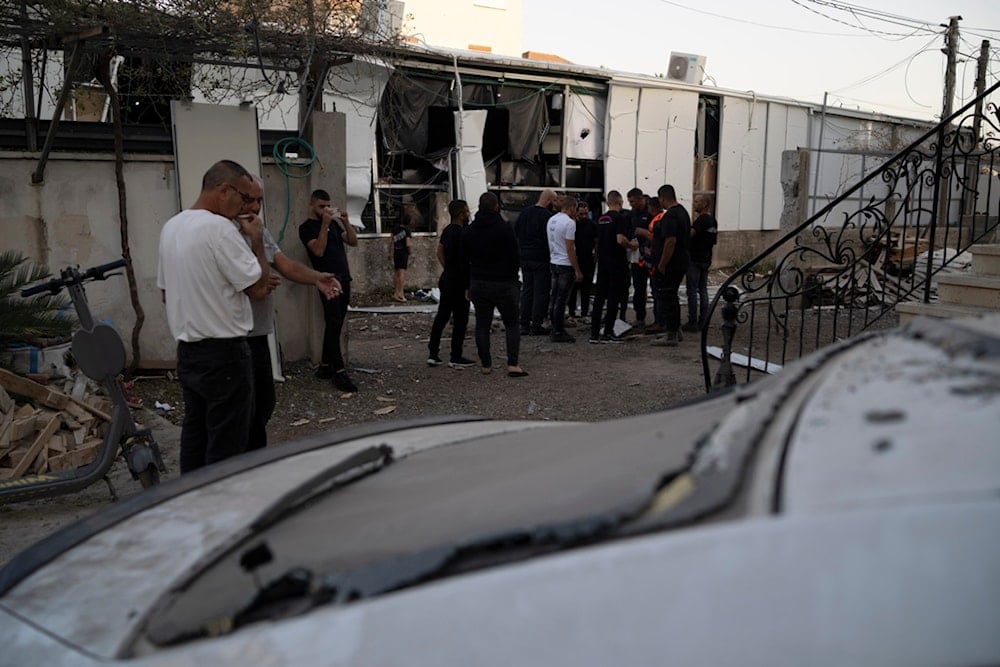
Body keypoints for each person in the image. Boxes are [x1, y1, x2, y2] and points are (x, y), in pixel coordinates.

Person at [157, 159, 271, 473]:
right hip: (224, 353)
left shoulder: (172, 226)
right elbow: (259, 288)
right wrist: (256, 239)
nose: (247, 206)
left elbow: (165, 292)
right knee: (227, 443)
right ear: (223, 191)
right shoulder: (220, 229)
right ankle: (221, 511)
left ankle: (191, 500)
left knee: (195, 433)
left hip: (189, 350)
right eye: (245, 197)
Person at [241, 176, 341, 451]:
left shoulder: (258, 229)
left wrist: (317, 278)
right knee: (239, 413)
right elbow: (253, 284)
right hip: (233, 336)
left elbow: (284, 264)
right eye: (249, 198)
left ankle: (253, 462)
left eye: (260, 200)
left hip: (258, 331)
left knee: (263, 404)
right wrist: (258, 281)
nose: (255, 206)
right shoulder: (222, 232)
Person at [299, 188, 360, 393]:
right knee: (333, 322)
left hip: (344, 278)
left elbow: (353, 241)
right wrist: (324, 225)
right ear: (312, 204)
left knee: (336, 323)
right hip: (327, 281)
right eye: (321, 206)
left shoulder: (333, 224)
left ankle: (326, 366)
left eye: (327, 206)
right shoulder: (307, 228)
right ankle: (339, 371)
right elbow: (318, 250)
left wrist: (345, 222)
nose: (325, 210)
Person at [462, 192, 527, 377]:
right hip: (505, 282)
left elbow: (465, 260)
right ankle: (512, 364)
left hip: (479, 281)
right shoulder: (505, 229)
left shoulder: (470, 231)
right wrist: (514, 278)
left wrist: (469, 284)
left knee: (482, 324)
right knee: (512, 323)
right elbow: (515, 255)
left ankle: (486, 364)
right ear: (496, 207)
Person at [427, 199, 476, 369]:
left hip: (447, 278)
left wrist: (447, 267)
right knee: (461, 319)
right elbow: (467, 261)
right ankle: (455, 355)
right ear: (461, 213)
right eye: (467, 210)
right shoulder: (465, 233)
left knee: (442, 315)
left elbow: (439, 251)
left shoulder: (448, 231)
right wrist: (469, 285)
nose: (469, 213)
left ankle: (433, 353)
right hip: (460, 281)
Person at [589, 190, 635, 344]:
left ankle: (594, 334)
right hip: (616, 262)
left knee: (599, 298)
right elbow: (620, 239)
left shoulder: (601, 219)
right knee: (613, 298)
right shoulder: (620, 218)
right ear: (620, 203)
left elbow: (596, 241)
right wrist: (632, 245)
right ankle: (608, 332)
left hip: (602, 262)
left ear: (608, 203)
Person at [650, 184, 691, 347]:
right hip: (680, 261)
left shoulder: (671, 216)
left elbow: (670, 241)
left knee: (667, 297)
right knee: (672, 296)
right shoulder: (683, 212)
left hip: (671, 264)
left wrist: (662, 263)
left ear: (662, 198)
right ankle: (675, 329)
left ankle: (671, 334)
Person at [515, 188, 558, 336]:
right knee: (541, 292)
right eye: (554, 201)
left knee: (527, 290)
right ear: (549, 201)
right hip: (541, 258)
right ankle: (537, 324)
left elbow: (517, 232)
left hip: (525, 257)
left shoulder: (525, 213)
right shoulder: (547, 216)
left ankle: (524, 324)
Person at [546, 195, 583, 343]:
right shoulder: (569, 223)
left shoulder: (552, 220)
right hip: (565, 263)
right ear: (572, 207)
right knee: (562, 298)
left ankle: (554, 325)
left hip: (554, 260)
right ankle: (558, 330)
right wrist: (577, 269)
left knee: (554, 296)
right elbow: (570, 248)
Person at [683, 194, 718, 332]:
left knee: (692, 290)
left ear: (705, 204)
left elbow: (690, 234)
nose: (694, 204)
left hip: (695, 259)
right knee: (702, 290)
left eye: (697, 202)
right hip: (706, 259)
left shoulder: (701, 220)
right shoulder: (713, 221)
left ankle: (692, 322)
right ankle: (704, 320)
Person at [623, 188, 652, 329]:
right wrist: (631, 239)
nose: (631, 204)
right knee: (639, 288)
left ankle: (660, 320)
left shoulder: (651, 211)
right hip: (636, 256)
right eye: (629, 202)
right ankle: (640, 317)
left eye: (633, 201)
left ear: (640, 199)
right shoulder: (631, 214)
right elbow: (628, 230)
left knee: (655, 288)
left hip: (651, 256)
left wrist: (646, 239)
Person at [567, 200, 597, 319]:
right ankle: (571, 312)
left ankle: (584, 312)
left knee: (586, 288)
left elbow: (596, 241)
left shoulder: (592, 225)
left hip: (588, 259)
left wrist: (596, 256)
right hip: (575, 259)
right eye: (581, 214)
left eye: (586, 213)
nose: (584, 216)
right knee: (573, 288)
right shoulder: (572, 225)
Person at [388, 207, 413, 302]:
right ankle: (401, 293)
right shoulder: (407, 231)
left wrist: (389, 253)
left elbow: (390, 241)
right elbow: (408, 244)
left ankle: (395, 293)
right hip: (403, 253)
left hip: (396, 252)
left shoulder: (394, 229)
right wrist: (410, 251)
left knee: (396, 272)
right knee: (402, 273)